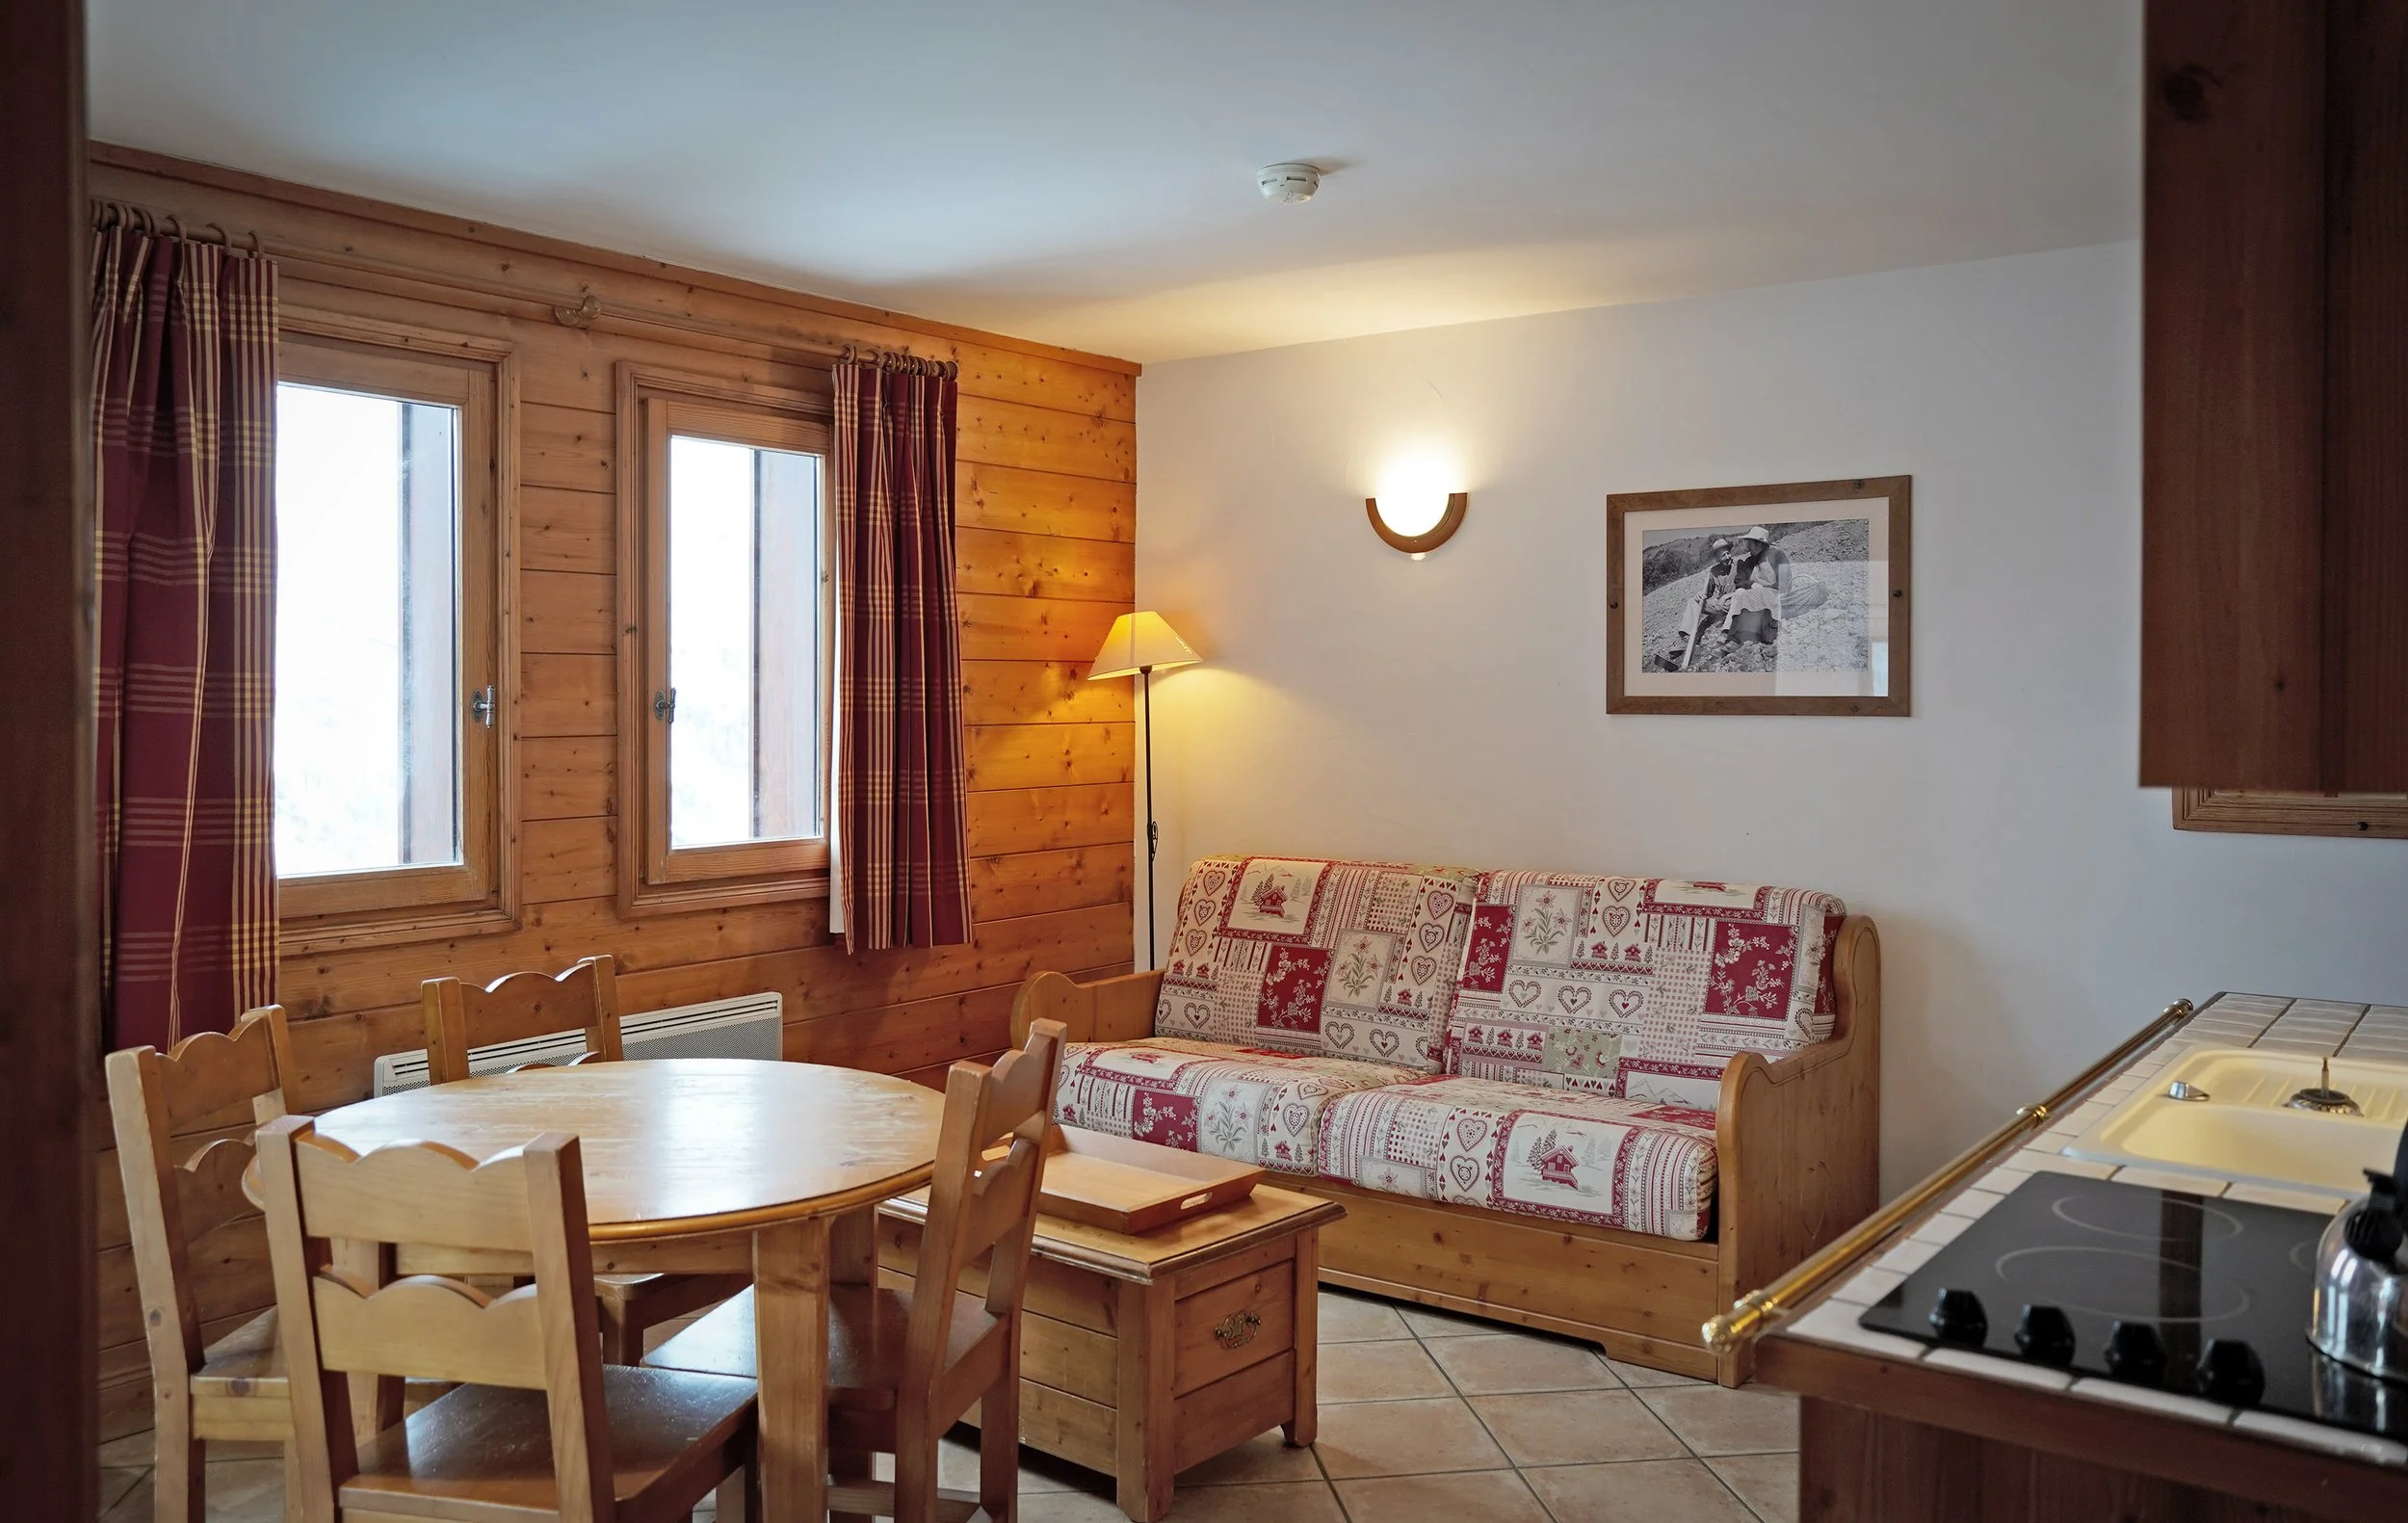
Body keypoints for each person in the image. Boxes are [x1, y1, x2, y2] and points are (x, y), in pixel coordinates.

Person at [1722, 526, 1793, 644]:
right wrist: (1752, 584)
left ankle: (1738, 638)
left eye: (1750, 544)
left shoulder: (1777, 556)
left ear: (1759, 544)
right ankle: (1729, 633)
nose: (1748, 547)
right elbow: (1738, 580)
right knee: (1742, 593)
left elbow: (1785, 583)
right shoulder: (1750, 560)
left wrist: (1765, 589)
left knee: (1751, 595)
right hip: (1754, 596)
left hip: (1774, 595)